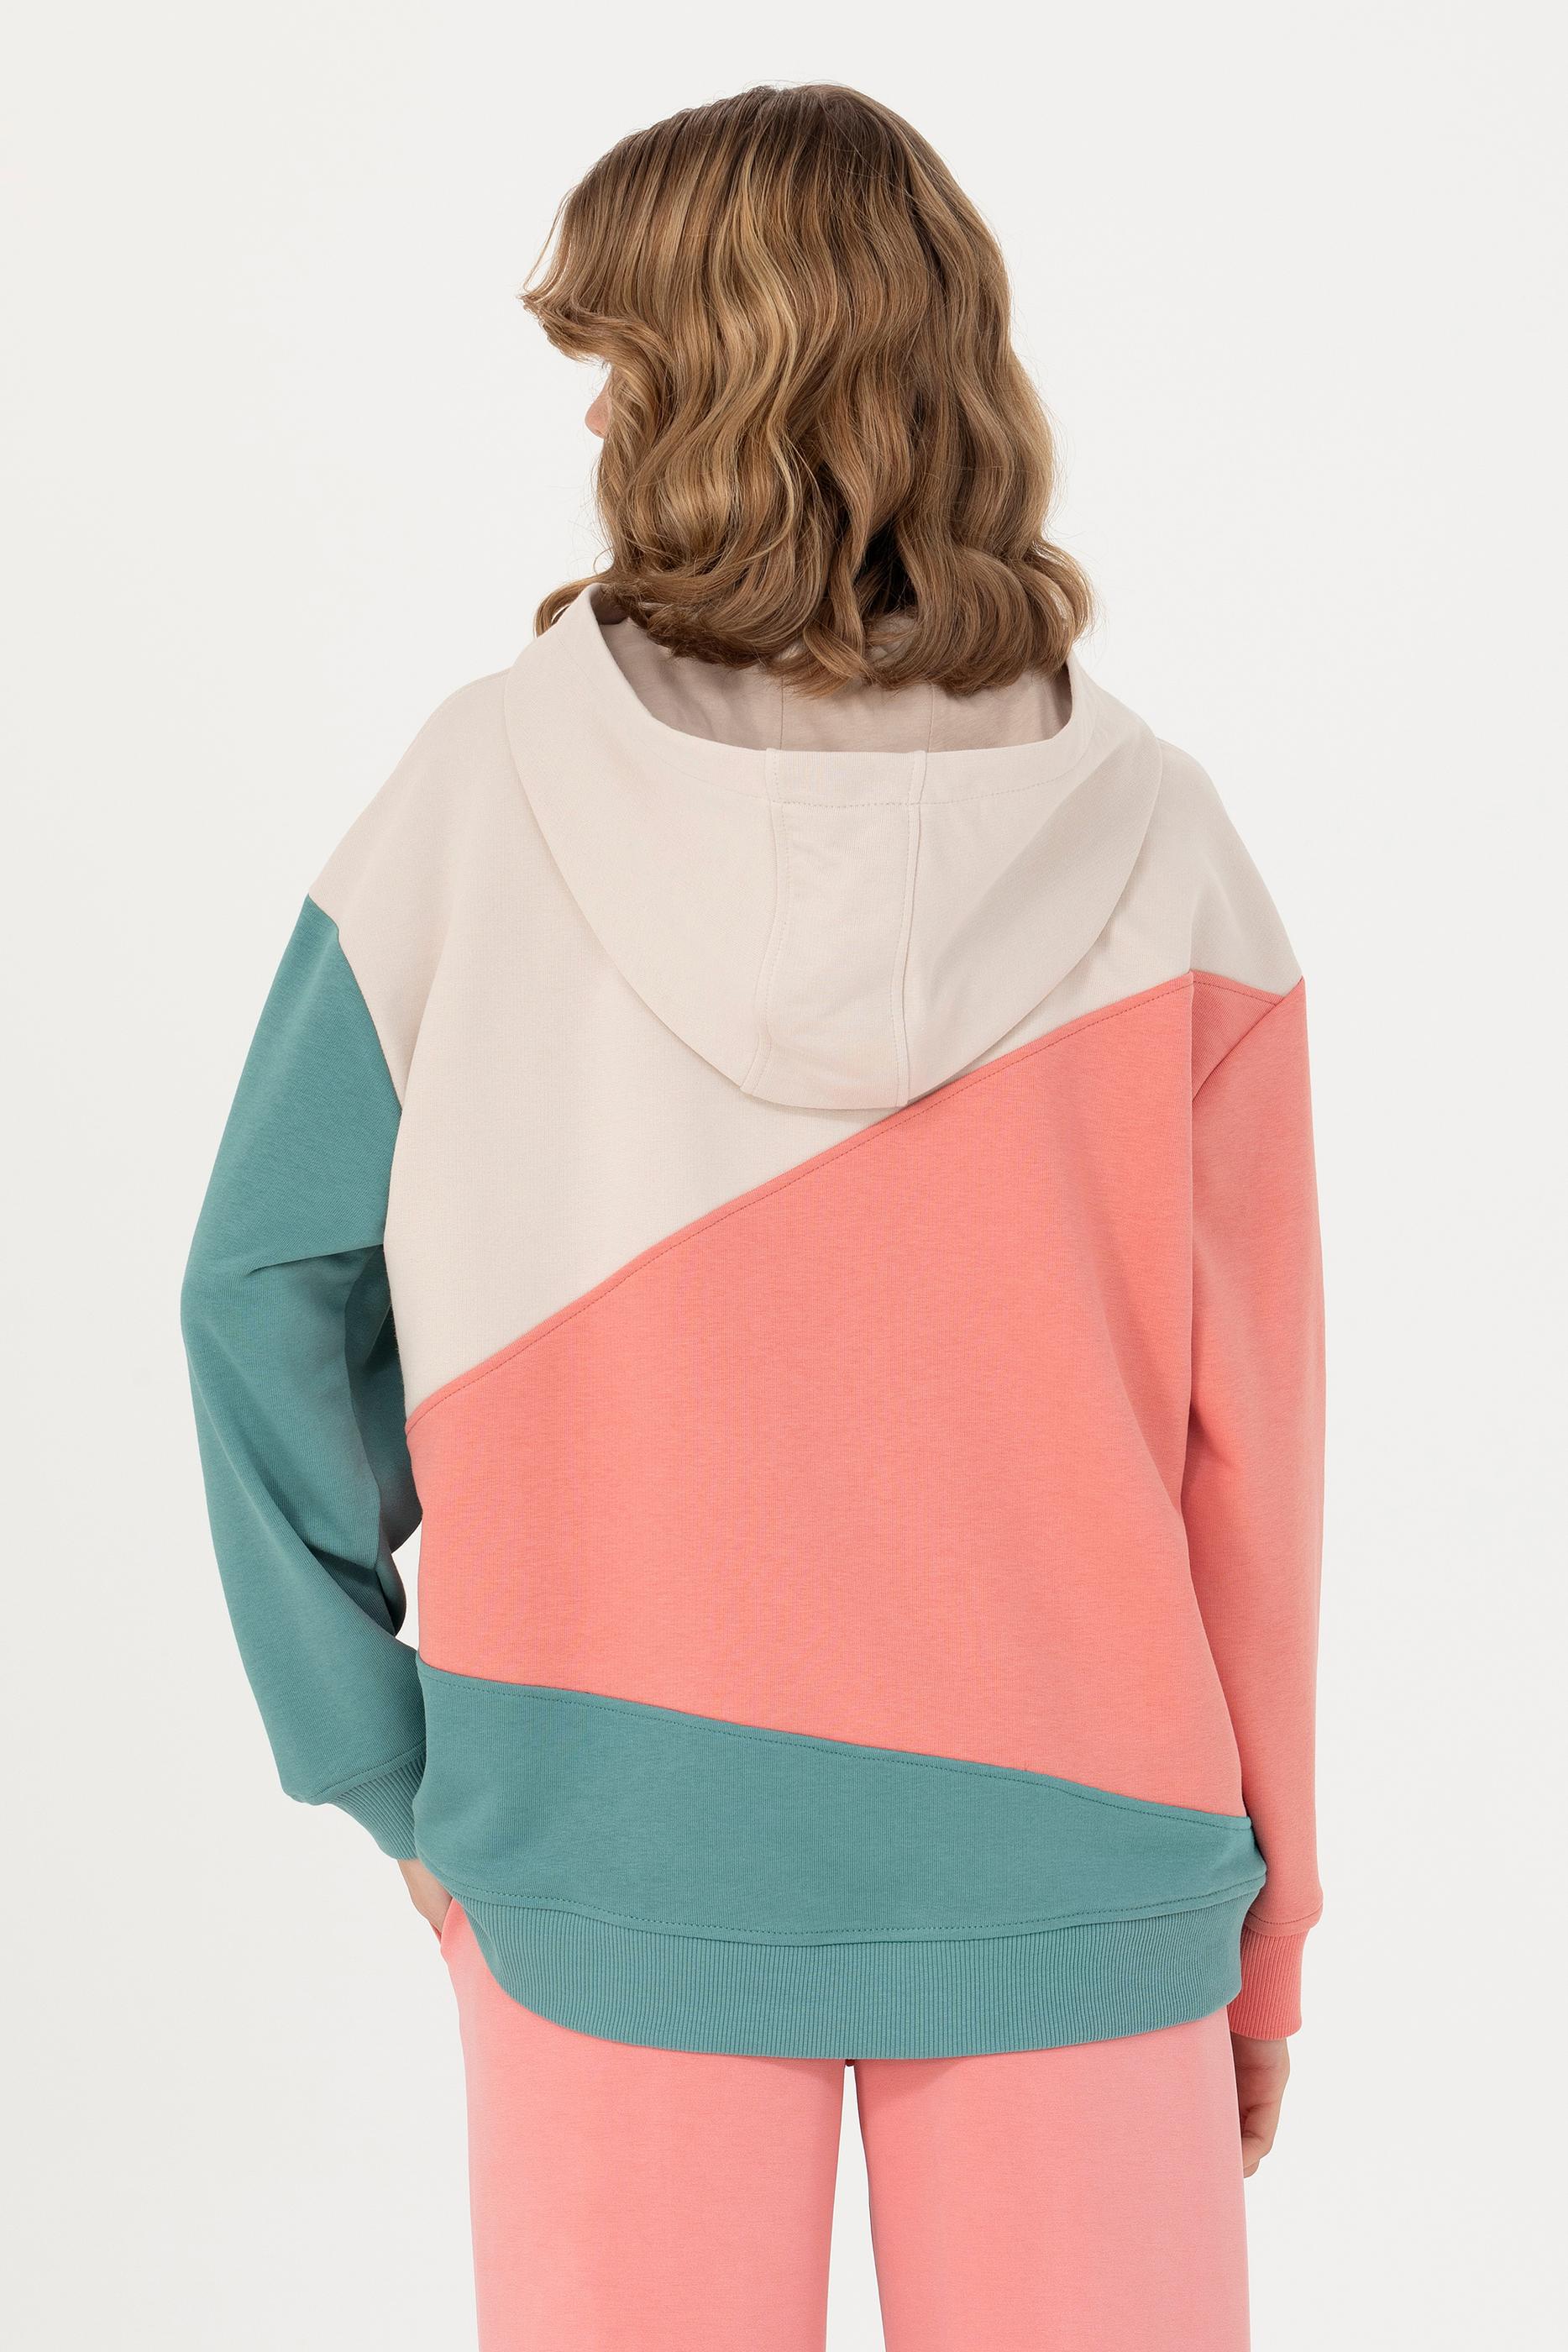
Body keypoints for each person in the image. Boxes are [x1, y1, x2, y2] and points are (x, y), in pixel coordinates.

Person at [182, 82, 1323, 2352]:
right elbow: (1251, 1453)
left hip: (594, 1829)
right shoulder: (1161, 844)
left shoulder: (472, 805)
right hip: (1084, 1851)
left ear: (688, 394)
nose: (595, 415)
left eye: (614, 363)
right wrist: (1261, 1938)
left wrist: (382, 1755)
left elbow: (259, 1295)